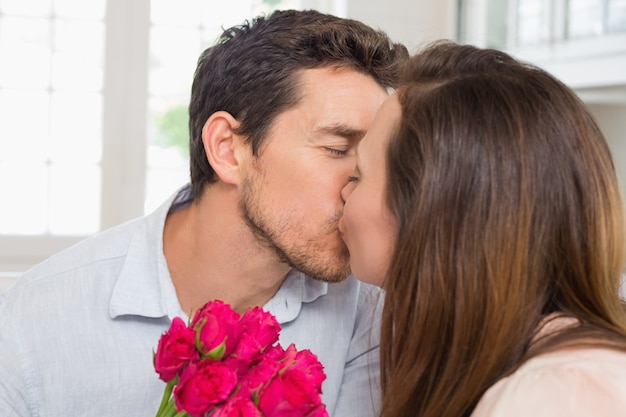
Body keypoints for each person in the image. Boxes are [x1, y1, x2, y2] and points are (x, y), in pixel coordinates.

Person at [0, 9, 408, 417]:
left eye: (374, 157)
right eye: (337, 148)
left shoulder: (370, 316)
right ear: (228, 149)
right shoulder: (32, 324)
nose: (363, 184)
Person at [339, 40, 626, 417]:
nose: (342, 192)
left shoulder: (559, 394)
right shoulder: (522, 366)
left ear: (433, 208)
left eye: (358, 174)